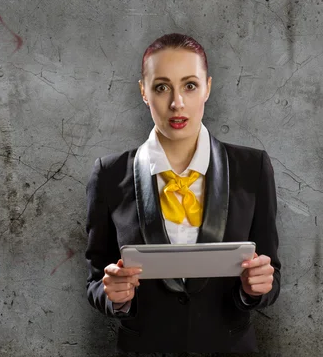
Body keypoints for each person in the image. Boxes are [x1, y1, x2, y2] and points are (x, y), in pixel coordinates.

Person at [84, 33, 281, 354]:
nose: (177, 102)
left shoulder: (252, 168)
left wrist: (256, 289)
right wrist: (112, 294)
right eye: (161, 87)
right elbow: (95, 281)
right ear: (143, 92)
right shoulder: (109, 174)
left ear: (208, 88)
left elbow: (272, 274)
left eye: (189, 85)